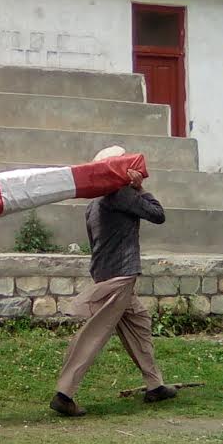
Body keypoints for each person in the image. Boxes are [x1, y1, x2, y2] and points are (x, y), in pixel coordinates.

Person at [50, 145, 179, 417]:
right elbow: (158, 214)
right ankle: (64, 393)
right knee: (94, 334)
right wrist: (140, 188)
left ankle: (155, 386)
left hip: (105, 273)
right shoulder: (121, 195)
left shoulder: (93, 205)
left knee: (138, 323)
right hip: (121, 275)